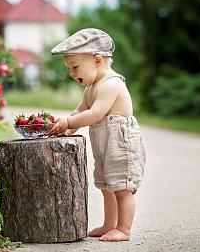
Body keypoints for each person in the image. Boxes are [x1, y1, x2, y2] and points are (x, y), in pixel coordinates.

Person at [48, 28, 146, 242]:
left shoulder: (111, 84)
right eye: (69, 69)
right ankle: (109, 224)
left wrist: (68, 122)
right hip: (105, 145)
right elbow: (80, 112)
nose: (72, 74)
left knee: (121, 187)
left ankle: (124, 229)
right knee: (106, 187)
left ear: (98, 61)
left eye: (75, 67)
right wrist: (68, 127)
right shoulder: (90, 88)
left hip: (121, 144)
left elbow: (95, 114)